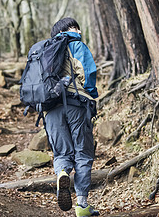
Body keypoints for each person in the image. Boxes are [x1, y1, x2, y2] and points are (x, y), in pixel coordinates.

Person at [45, 17, 100, 217]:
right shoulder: (76, 44)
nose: (79, 30)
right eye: (76, 27)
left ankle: (62, 174)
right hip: (76, 104)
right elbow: (88, 73)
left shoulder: (45, 50)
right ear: (70, 29)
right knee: (83, 153)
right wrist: (91, 96)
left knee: (61, 153)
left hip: (50, 109)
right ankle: (82, 206)